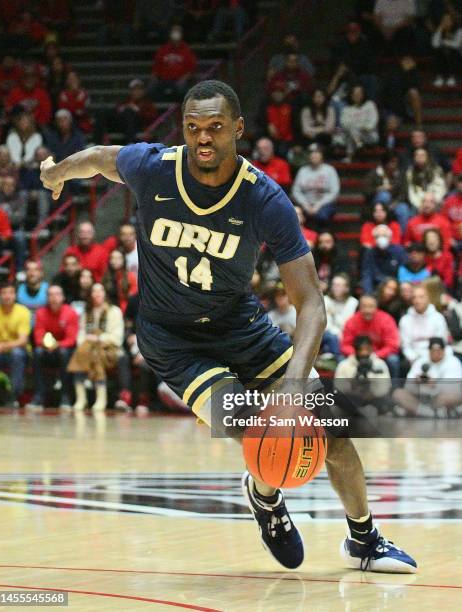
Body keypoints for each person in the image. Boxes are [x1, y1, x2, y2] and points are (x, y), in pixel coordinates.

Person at [40, 79, 416, 572]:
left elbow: (311, 305)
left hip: (242, 327)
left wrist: (295, 388)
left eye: (215, 127)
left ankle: (363, 539)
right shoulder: (153, 167)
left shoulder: (264, 199)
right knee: (255, 429)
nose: (202, 138)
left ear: (237, 129)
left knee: (332, 429)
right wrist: (58, 172)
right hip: (172, 340)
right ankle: (267, 496)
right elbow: (98, 157)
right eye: (193, 127)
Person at [67, 283, 125, 412]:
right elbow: (81, 332)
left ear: (105, 293)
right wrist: (84, 344)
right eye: (94, 291)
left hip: (109, 348)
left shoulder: (114, 311)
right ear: (91, 294)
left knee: (96, 355)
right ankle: (81, 398)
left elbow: (117, 337)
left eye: (100, 290)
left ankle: (101, 398)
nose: (97, 293)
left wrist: (98, 339)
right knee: (81, 353)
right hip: (88, 347)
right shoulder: (87, 312)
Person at [26, 285, 78, 410]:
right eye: (50, 295)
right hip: (46, 349)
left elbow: (71, 340)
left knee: (64, 352)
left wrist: (57, 345)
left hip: (64, 351)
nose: (54, 298)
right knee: (37, 352)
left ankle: (65, 396)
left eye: (57, 294)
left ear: (63, 297)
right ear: (47, 298)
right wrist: (48, 345)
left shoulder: (70, 312)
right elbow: (38, 337)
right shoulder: (40, 313)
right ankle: (39, 396)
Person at [393, 337, 462, 417]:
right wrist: (416, 381)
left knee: (454, 396)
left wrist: (435, 384)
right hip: (421, 398)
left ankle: (419, 412)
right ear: (429, 351)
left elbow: (453, 387)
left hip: (440, 397)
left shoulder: (453, 362)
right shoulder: (421, 361)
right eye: (433, 350)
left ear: (444, 350)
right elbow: (407, 385)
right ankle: (430, 413)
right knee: (398, 393)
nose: (436, 353)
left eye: (439, 350)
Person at [341, 294, 401, 378]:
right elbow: (345, 345)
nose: (367, 310)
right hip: (357, 355)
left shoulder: (386, 320)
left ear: (376, 307)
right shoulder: (351, 321)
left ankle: (394, 388)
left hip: (379, 355)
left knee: (393, 360)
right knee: (341, 360)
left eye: (371, 306)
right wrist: (357, 355)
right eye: (364, 306)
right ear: (359, 307)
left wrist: (375, 355)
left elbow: (392, 345)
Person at [0, 283, 30, 407]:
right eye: (4, 293)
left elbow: (22, 341)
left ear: (15, 295)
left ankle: (13, 396)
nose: (7, 296)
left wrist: (2, 346)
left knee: (17, 354)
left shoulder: (22, 311)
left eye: (11, 293)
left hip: (19, 351)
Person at [399, 285, 449, 365]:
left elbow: (441, 341)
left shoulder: (438, 317)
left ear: (428, 298)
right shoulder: (405, 320)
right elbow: (405, 346)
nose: (417, 300)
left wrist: (430, 358)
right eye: (414, 297)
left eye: (421, 297)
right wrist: (414, 358)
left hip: (435, 356)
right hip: (414, 358)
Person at [334, 335, 391, 405]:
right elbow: (339, 388)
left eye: (367, 349)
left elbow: (385, 388)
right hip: (351, 401)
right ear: (355, 350)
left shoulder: (380, 364)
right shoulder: (344, 365)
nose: (364, 353)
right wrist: (354, 382)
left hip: (374, 400)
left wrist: (372, 392)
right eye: (361, 349)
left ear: (371, 348)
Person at [292, 144, 340, 225]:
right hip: (305, 204)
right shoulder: (302, 170)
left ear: (322, 155)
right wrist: (305, 204)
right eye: (311, 153)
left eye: (317, 153)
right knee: (295, 215)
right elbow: (296, 191)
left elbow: (334, 192)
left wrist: (319, 205)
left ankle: (322, 235)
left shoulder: (330, 170)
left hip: (325, 204)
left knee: (321, 216)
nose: (314, 155)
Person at [150, 25, 197, 102]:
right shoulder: (163, 49)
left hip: (179, 80)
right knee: (151, 89)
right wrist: (154, 77)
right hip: (163, 80)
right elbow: (156, 67)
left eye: (178, 31)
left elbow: (191, 69)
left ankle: (178, 111)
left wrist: (184, 78)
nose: (176, 34)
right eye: (174, 31)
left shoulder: (187, 50)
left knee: (181, 88)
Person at [360, 225, 408, 293]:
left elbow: (404, 273)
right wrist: (368, 293)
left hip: (396, 287)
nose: (381, 238)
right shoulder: (369, 253)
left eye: (384, 236)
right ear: (374, 239)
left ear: (390, 238)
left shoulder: (399, 251)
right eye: (377, 236)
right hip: (377, 287)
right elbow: (367, 274)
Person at [323, 273, 358, 360]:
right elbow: (327, 325)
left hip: (348, 336)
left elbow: (347, 324)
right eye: (334, 285)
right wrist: (338, 333)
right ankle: (339, 360)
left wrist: (334, 314)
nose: (335, 288)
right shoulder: (325, 300)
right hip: (330, 337)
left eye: (338, 285)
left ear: (347, 288)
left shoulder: (353, 302)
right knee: (332, 337)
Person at [339, 84, 379, 161]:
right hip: (353, 135)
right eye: (355, 93)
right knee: (352, 130)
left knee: (353, 129)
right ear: (351, 95)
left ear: (363, 94)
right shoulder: (347, 109)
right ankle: (359, 145)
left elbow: (373, 120)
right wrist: (356, 127)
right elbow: (344, 123)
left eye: (359, 93)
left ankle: (350, 156)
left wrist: (364, 127)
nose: (357, 95)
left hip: (368, 135)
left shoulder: (370, 105)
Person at [403, 148, 447, 212]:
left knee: (443, 205)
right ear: (414, 158)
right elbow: (411, 192)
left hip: (435, 201)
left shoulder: (436, 170)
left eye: (422, 155)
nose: (419, 157)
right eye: (417, 155)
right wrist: (420, 205)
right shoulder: (410, 172)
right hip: (418, 203)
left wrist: (432, 203)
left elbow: (441, 189)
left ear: (427, 157)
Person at [102, 249, 138, 313]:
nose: (115, 260)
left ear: (123, 260)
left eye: (119, 258)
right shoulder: (105, 277)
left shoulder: (130, 276)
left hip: (126, 311)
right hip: (108, 310)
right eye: (113, 258)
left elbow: (133, 296)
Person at [431, 12, 462, 86]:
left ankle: (452, 77)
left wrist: (443, 42)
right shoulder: (439, 31)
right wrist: (439, 29)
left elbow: (456, 45)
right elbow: (434, 45)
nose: (445, 22)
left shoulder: (459, 30)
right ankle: (439, 78)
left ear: (452, 21)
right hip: (442, 56)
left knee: (449, 51)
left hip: (457, 56)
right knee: (438, 51)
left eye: (448, 20)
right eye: (444, 20)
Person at [441, 173, 462, 250]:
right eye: (460, 181)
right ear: (457, 184)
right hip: (453, 240)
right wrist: (448, 237)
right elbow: (443, 221)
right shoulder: (449, 201)